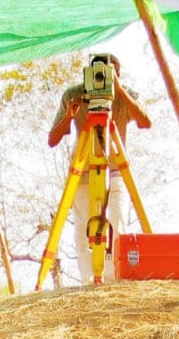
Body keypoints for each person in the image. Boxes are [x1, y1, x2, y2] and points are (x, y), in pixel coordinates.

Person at [47, 55, 152, 284]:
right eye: (97, 73)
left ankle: (116, 279)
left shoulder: (125, 95)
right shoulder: (74, 94)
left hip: (115, 171)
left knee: (117, 223)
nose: (101, 79)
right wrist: (69, 116)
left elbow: (146, 122)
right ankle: (90, 281)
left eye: (107, 73)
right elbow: (52, 139)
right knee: (85, 228)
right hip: (83, 172)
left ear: (118, 75)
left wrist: (119, 89)